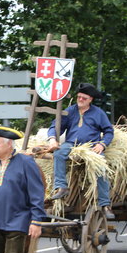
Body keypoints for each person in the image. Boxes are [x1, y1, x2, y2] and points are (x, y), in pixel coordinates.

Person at [47, 83, 115, 219]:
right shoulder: (70, 111)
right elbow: (55, 125)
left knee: (101, 166)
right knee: (59, 153)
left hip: (91, 146)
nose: (80, 100)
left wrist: (102, 145)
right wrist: (52, 139)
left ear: (90, 99)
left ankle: (105, 204)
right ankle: (62, 187)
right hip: (71, 144)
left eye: (84, 98)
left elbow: (109, 131)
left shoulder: (98, 113)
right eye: (79, 97)